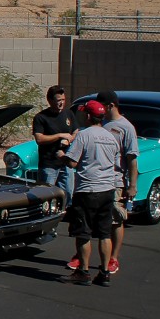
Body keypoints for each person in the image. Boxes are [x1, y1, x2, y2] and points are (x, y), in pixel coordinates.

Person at [57, 100, 121, 287]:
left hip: (87, 190)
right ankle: (104, 272)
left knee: (83, 232)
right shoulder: (111, 137)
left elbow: (73, 163)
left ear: (87, 116)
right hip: (107, 189)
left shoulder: (84, 136)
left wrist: (62, 155)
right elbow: (115, 163)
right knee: (104, 233)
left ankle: (83, 271)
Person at [97, 90, 138, 275]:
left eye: (102, 106)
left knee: (116, 219)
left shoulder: (126, 127)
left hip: (115, 180)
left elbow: (132, 159)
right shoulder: (101, 122)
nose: (99, 110)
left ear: (111, 105)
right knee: (96, 219)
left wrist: (132, 185)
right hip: (97, 179)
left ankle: (114, 258)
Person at [33, 85, 78, 206]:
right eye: (58, 100)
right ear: (50, 100)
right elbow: (39, 139)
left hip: (66, 162)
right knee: (46, 195)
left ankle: (64, 214)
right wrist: (59, 136)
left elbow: (75, 131)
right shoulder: (41, 117)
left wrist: (69, 139)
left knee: (68, 193)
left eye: (63, 100)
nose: (61, 103)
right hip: (49, 164)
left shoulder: (69, 114)